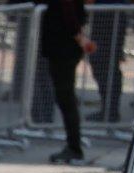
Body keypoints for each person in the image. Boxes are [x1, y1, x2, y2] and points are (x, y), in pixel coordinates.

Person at [40, 0, 95, 163]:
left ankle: (74, 146)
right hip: (63, 47)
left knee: (66, 98)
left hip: (63, 48)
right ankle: (73, 145)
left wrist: (80, 38)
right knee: (65, 98)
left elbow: (70, 13)